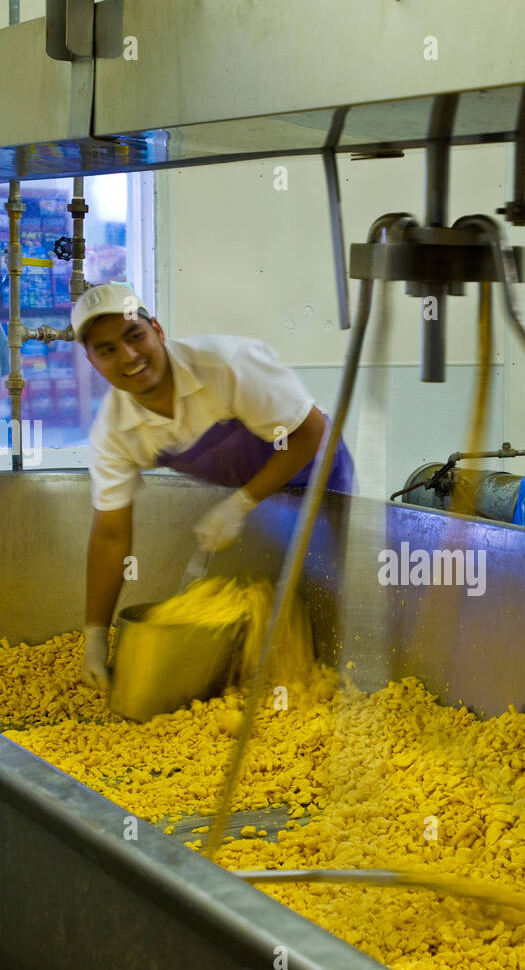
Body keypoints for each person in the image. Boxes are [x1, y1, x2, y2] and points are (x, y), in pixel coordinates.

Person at [74, 282, 355, 690]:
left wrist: (241, 504)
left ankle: (321, 691)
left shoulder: (227, 365)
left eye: (135, 336)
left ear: (158, 330)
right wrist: (95, 635)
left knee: (321, 591)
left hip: (317, 477)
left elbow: (311, 433)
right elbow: (111, 536)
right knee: (263, 601)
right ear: (92, 362)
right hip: (257, 495)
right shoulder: (116, 431)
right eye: (107, 350)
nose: (129, 356)